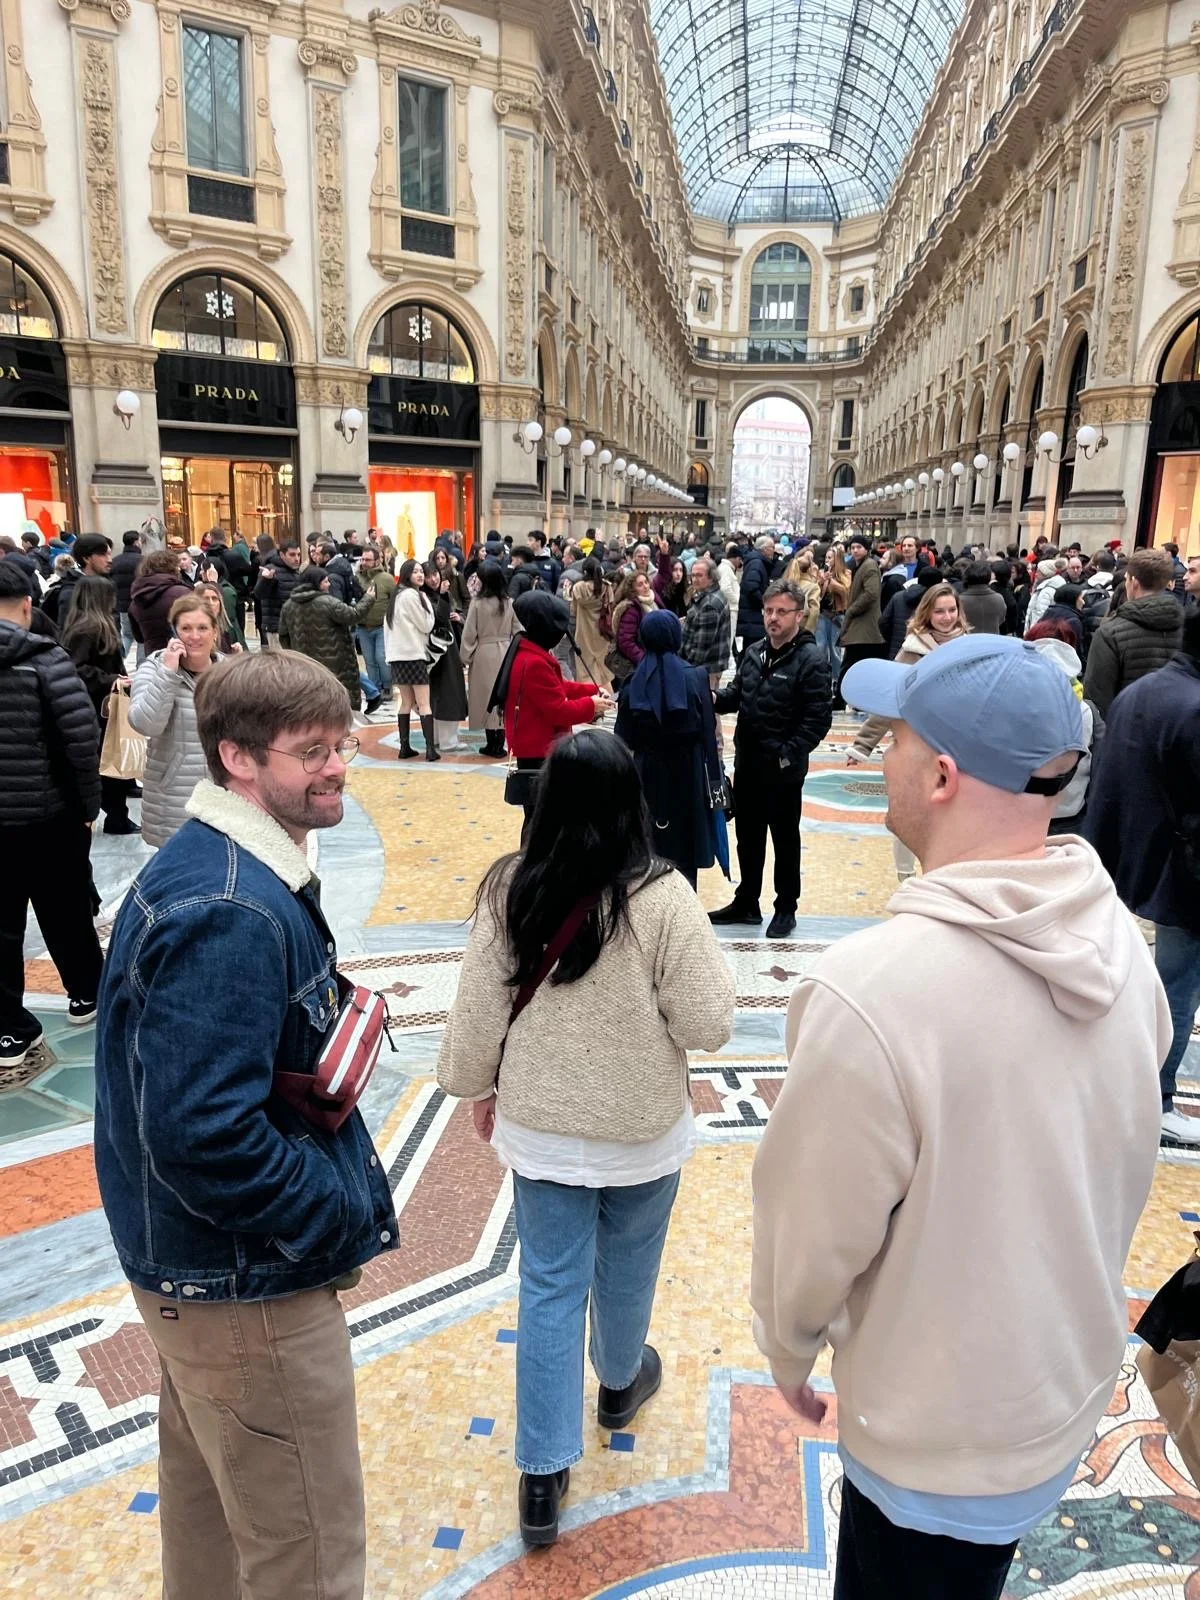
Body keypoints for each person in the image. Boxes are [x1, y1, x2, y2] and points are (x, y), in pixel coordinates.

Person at [751, 634, 1166, 1600]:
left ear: (941, 774)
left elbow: (811, 1229)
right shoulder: (1115, 937)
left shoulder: (873, 994)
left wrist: (787, 1344)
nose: (876, 750)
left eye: (891, 733)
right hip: (1055, 1394)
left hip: (931, 1436)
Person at [94, 649, 396, 1600]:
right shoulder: (229, 906)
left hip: (199, 1275)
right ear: (237, 760)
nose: (337, 765)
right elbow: (201, 1133)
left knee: (213, 1516)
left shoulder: (224, 867)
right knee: (307, 1544)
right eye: (311, 751)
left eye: (340, 743)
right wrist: (327, 1212)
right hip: (244, 1288)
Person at [436, 728, 734, 1546]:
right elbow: (709, 1022)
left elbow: (475, 1023)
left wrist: (474, 1086)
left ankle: (541, 1473)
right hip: (641, 1131)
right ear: (633, 803)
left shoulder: (511, 889)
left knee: (549, 1285)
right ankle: (617, 1382)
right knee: (630, 1263)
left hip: (542, 1131)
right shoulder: (663, 895)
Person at [1087, 608, 1200, 1145]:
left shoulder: (1147, 690)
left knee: (1148, 976)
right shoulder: (1196, 705)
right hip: (1183, 870)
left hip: (1133, 851)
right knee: (1179, 983)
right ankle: (1156, 1095)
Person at [0, 562, 103, 1067]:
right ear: (26, 605)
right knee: (65, 910)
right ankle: (87, 994)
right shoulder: (44, 659)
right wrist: (88, 808)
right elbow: (80, 744)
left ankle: (9, 1032)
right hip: (49, 816)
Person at [710, 580, 833, 940]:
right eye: (769, 611)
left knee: (784, 839)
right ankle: (747, 900)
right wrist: (712, 697)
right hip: (747, 762)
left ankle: (785, 907)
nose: (773, 618)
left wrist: (788, 753)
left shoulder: (811, 660)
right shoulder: (754, 651)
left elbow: (817, 720)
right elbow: (738, 695)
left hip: (782, 771)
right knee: (748, 837)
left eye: (782, 612)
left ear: (798, 615)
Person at [616, 610, 723, 887]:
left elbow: (623, 738)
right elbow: (708, 732)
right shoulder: (696, 677)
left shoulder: (632, 682)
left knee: (647, 851)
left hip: (647, 774)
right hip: (689, 775)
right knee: (685, 854)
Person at [492, 591, 609, 827]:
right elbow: (559, 710)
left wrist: (588, 691)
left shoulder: (528, 652)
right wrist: (592, 705)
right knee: (541, 818)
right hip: (540, 748)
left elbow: (556, 687)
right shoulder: (534, 662)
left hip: (534, 745)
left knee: (540, 814)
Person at [129, 594, 221, 847]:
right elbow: (145, 724)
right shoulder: (154, 668)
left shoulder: (229, 672)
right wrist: (168, 674)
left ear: (215, 631)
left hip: (225, 793)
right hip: (175, 795)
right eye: (186, 628)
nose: (195, 636)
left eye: (202, 628)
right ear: (174, 632)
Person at [61, 574, 139, 835]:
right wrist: (112, 679)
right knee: (108, 756)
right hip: (99, 703)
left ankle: (121, 799)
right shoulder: (89, 628)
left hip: (103, 701)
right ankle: (117, 815)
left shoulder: (91, 625)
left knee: (112, 752)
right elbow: (77, 668)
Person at [1024, 623, 1104, 839]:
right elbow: (1101, 764)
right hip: (1071, 813)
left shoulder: (1013, 704)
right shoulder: (1086, 710)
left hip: (1021, 816)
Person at [1083, 547, 1184, 715]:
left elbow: (1097, 699)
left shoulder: (1111, 632)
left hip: (1126, 728)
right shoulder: (1188, 627)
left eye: (1126, 579)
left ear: (1134, 582)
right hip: (1176, 730)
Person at [279, 567, 374, 713]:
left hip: (305, 665)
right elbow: (353, 615)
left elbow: (283, 636)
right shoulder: (329, 602)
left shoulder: (288, 605)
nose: (329, 584)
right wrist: (368, 598)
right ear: (316, 583)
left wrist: (294, 654)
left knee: (312, 704)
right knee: (340, 704)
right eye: (325, 581)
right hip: (336, 663)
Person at [462, 560, 520, 758]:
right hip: (506, 652)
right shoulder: (509, 602)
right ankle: (500, 744)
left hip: (484, 653)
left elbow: (470, 633)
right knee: (503, 698)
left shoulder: (477, 604)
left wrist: (466, 656)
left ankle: (490, 744)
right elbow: (518, 631)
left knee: (485, 698)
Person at [383, 558, 437, 760]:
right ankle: (431, 750)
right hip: (413, 655)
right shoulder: (412, 596)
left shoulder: (396, 597)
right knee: (424, 703)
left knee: (405, 703)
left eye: (421, 571)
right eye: (415, 572)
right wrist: (428, 606)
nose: (420, 575)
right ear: (407, 574)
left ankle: (404, 748)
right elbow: (426, 625)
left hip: (397, 656)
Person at [425, 558, 469, 751]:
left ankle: (440, 738)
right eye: (428, 576)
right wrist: (443, 597)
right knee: (446, 692)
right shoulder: (426, 597)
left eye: (434, 574)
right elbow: (439, 619)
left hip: (443, 650)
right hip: (438, 650)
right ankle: (447, 741)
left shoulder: (439, 594)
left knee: (441, 693)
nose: (433, 579)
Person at [837, 535, 883, 708]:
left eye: (859, 547)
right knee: (855, 664)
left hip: (864, 625)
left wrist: (852, 609)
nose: (855, 550)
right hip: (862, 625)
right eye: (853, 547)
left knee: (851, 664)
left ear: (866, 549)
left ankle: (843, 700)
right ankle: (851, 700)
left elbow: (871, 593)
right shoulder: (861, 565)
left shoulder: (869, 566)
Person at [679, 556, 732, 702]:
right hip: (709, 666)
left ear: (711, 578)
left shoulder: (709, 604)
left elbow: (701, 648)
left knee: (705, 710)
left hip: (705, 668)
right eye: (693, 575)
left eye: (699, 575)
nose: (694, 579)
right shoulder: (707, 596)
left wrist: (686, 669)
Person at [127, 548, 193, 656]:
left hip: (154, 656)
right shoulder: (183, 592)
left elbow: (139, 637)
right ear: (172, 568)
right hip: (183, 654)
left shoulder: (137, 598)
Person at [354, 546, 395, 708]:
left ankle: (387, 686)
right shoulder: (357, 577)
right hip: (363, 626)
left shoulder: (386, 578)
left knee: (381, 657)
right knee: (369, 660)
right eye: (362, 559)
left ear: (377, 561)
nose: (364, 562)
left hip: (382, 626)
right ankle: (374, 689)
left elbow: (394, 600)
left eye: (368, 559)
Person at [42, 533, 111, 625]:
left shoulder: (107, 584)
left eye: (109, 554)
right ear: (86, 558)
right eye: (103, 554)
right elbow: (67, 632)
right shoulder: (71, 592)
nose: (109, 559)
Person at [569, 556, 615, 693]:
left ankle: (590, 702)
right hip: (602, 633)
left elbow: (574, 610)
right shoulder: (606, 587)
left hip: (583, 632)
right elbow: (610, 608)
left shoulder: (578, 588)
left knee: (585, 670)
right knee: (603, 671)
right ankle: (609, 702)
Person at [609, 570, 658, 682]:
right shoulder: (631, 609)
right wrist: (644, 659)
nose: (645, 586)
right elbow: (625, 641)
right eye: (640, 584)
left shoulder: (652, 600)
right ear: (632, 589)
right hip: (641, 664)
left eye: (646, 582)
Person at [254, 541, 304, 649]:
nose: (296, 558)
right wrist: (267, 580)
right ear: (282, 555)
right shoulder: (270, 570)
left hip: (295, 627)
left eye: (298, 554)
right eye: (292, 555)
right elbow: (259, 594)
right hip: (276, 629)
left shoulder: (296, 572)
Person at [736, 534, 778, 651]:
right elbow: (751, 588)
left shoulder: (758, 562)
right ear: (764, 549)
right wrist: (765, 603)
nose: (774, 551)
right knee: (751, 650)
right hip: (752, 616)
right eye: (772, 547)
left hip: (751, 616)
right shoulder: (757, 563)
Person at [815, 544, 850, 677]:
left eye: (830, 558)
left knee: (836, 651)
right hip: (822, 613)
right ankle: (820, 677)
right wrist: (821, 581)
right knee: (820, 647)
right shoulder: (821, 572)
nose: (827, 560)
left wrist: (832, 582)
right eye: (826, 557)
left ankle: (836, 679)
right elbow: (816, 593)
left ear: (837, 559)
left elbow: (845, 592)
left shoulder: (846, 574)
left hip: (837, 615)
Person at [110, 530, 142, 654]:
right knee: (142, 638)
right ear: (136, 542)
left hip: (122, 605)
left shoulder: (115, 561)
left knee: (127, 635)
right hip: (139, 604)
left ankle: (122, 659)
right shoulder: (143, 560)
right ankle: (141, 665)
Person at [959, 562, 1006, 634]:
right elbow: (1001, 620)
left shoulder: (960, 600)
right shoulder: (999, 598)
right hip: (992, 639)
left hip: (968, 641)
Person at [782, 550, 821, 633]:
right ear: (810, 568)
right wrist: (808, 632)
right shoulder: (813, 587)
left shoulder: (785, 582)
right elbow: (814, 611)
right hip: (801, 626)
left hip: (784, 624)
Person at [651, 538, 688, 617]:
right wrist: (664, 553)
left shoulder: (682, 588)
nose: (678, 574)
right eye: (675, 570)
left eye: (681, 570)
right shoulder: (662, 585)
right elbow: (663, 572)